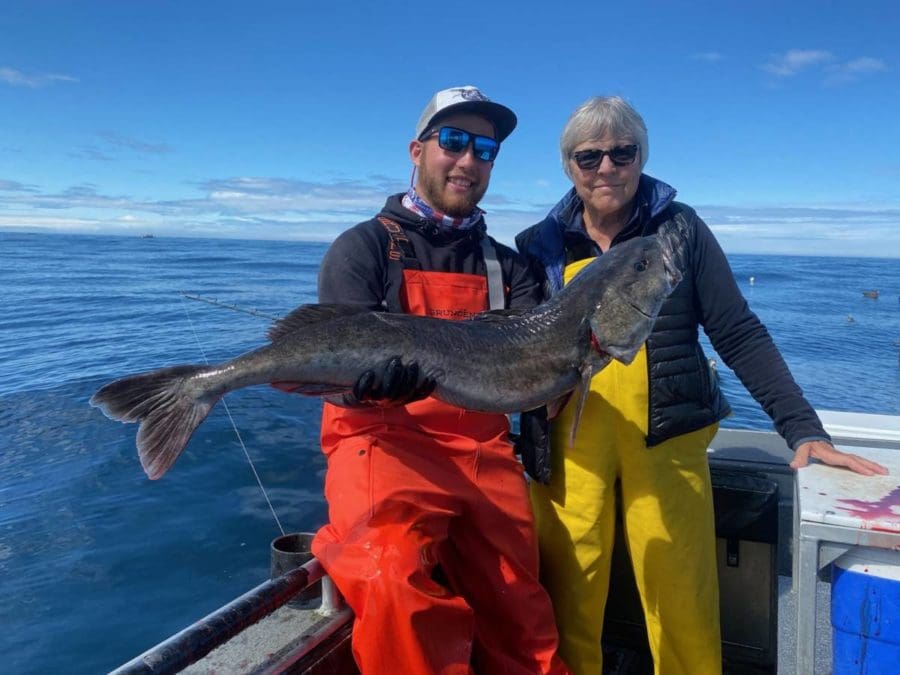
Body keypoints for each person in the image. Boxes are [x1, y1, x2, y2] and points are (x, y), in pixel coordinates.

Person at [514, 95, 888, 675]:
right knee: (566, 594)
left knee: (681, 594)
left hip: (667, 440)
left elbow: (736, 331)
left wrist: (801, 427)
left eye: (622, 152)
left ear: (642, 157)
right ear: (569, 166)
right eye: (589, 157)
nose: (607, 167)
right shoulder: (537, 244)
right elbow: (519, 346)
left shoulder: (681, 230)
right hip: (569, 442)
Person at [307, 86, 569, 674]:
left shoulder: (511, 266)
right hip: (382, 441)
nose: (468, 160)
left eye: (485, 149)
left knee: (523, 610)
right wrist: (367, 386)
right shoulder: (363, 249)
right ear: (417, 150)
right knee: (390, 576)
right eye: (452, 141)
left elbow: (539, 370)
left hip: (482, 451)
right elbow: (332, 374)